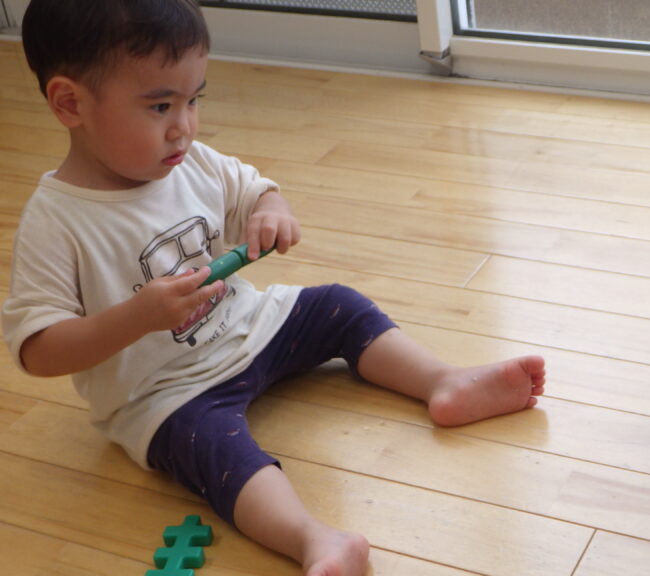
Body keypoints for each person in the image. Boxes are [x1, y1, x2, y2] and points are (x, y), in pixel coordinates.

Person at [2, 1, 546, 575]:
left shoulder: (192, 161)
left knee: (339, 305)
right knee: (219, 454)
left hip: (252, 326)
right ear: (70, 103)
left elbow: (257, 190)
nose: (184, 125)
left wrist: (271, 211)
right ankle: (314, 539)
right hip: (166, 394)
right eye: (161, 105)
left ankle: (443, 382)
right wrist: (137, 317)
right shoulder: (57, 222)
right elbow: (38, 350)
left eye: (194, 100)